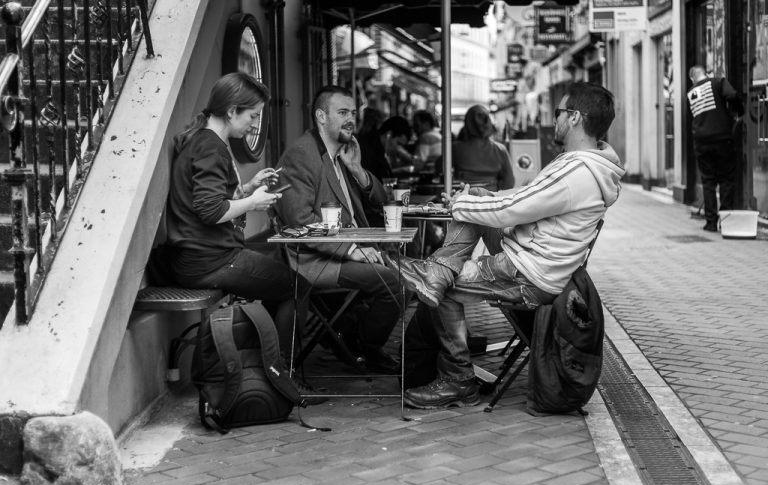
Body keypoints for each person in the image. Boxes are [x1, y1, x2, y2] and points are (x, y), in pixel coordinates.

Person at [383, 82, 625, 409]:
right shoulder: (585, 164)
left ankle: (458, 380)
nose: (554, 120)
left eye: (558, 113)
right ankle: (438, 269)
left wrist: (459, 205)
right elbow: (516, 199)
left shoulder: (577, 171)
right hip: (532, 258)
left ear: (575, 118)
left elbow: (513, 208)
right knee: (478, 203)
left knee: (445, 288)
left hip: (528, 273)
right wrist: (478, 199)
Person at [164, 72, 311, 365]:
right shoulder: (210, 146)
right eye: (253, 116)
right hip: (210, 259)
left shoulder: (202, 140)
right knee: (298, 288)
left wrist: (247, 188)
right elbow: (210, 211)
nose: (255, 124)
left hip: (198, 257)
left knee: (286, 284)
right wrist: (252, 203)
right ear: (232, 111)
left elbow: (208, 199)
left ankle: (261, 361)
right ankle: (280, 372)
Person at [273, 85, 402, 374]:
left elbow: (382, 203)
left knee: (409, 274)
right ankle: (362, 349)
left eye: (353, 113)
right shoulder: (302, 154)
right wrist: (352, 250)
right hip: (314, 260)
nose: (351, 120)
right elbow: (299, 221)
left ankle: (348, 338)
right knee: (393, 282)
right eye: (342, 112)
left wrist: (357, 170)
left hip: (349, 249)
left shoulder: (342, 154)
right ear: (321, 116)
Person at [686, 65, 743, 232]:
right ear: (706, 74)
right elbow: (732, 95)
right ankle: (726, 222)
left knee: (708, 182)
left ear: (692, 79)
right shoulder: (718, 82)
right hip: (722, 138)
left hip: (701, 142)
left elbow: (692, 118)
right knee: (726, 179)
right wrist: (739, 113)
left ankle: (711, 222)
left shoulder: (690, 94)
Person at [453, 105, 515, 192]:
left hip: (464, 198)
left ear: (467, 124)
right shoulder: (500, 150)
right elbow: (509, 182)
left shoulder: (455, 149)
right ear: (488, 123)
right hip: (491, 200)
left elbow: (439, 168)